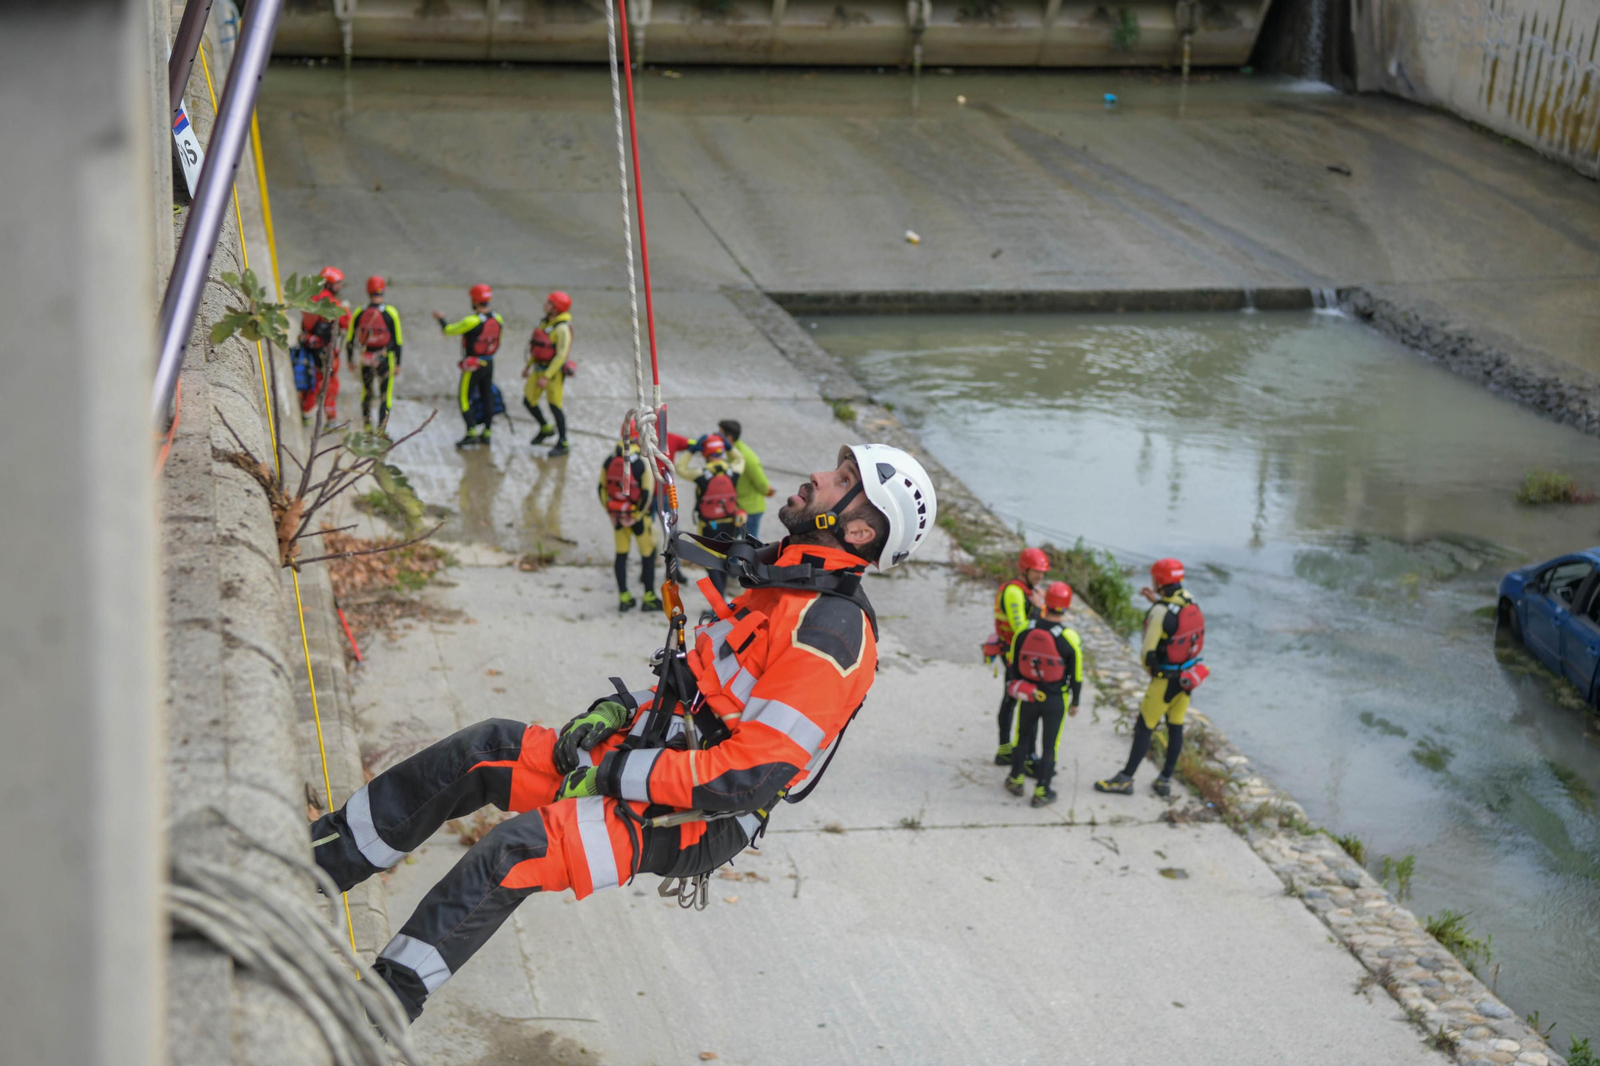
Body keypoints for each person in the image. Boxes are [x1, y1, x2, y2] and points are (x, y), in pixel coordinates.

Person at [309, 444, 937, 1022]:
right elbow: (695, 690)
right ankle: (310, 869)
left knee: (516, 852)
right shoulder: (784, 588)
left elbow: (747, 775)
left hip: (700, 814)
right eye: (836, 467)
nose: (820, 477)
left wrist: (609, 773)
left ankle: (375, 1010)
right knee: (485, 750)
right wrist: (617, 712)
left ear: (857, 532)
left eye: (844, 480)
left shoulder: (829, 635)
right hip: (664, 760)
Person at [1096, 558, 1207, 798]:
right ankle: (1165, 779)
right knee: (1175, 726)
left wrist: (1151, 668)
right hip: (1188, 677)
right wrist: (1157, 602)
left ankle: (1125, 779)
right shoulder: (1190, 599)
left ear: (1158, 581)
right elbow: (1176, 620)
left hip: (1164, 680)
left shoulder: (1159, 612)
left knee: (1144, 727)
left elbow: (1147, 652)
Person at [1002, 581, 1082, 808]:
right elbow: (1076, 675)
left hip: (1029, 694)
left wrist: (1017, 688)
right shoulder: (1069, 638)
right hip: (1055, 699)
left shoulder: (1025, 629)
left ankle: (1016, 780)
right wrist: (1075, 702)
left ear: (1045, 602)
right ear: (1066, 607)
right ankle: (1042, 791)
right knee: (1050, 745)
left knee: (1022, 737)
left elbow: (1013, 664)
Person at [985, 547, 1048, 766]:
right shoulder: (1014, 592)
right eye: (1036, 572)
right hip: (1014, 657)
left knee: (1018, 702)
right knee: (1012, 701)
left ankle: (1023, 753)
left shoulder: (1030, 591)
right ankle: (1006, 751)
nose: (1040, 576)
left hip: (1024, 658)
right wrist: (1039, 608)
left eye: (1043, 572)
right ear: (1025, 569)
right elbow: (1022, 629)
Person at [600, 415, 661, 614]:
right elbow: (647, 492)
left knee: (621, 556)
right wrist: (635, 515)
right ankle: (649, 597)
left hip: (617, 516)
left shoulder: (610, 459)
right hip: (638, 518)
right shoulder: (642, 461)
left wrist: (611, 512)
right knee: (647, 554)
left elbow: (601, 489)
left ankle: (624, 597)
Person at [677, 433, 746, 602]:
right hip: (730, 524)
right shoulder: (733, 471)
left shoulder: (701, 473)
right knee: (724, 561)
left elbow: (679, 468)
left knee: (710, 564)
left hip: (708, 526)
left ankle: (719, 603)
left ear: (705, 454)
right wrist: (729, 447)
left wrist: (691, 451)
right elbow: (740, 459)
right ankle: (721, 601)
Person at [433, 284, 504, 449]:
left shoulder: (472, 321)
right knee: (487, 395)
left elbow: (449, 330)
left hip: (473, 365)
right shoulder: (498, 318)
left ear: (475, 300)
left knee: (464, 397)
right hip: (489, 362)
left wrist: (441, 319)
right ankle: (487, 432)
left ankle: (471, 431)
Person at [346, 275, 403, 434]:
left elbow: (350, 338)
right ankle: (381, 430)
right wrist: (398, 363)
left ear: (368, 291)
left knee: (367, 392)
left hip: (366, 358)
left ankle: (367, 426)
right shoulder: (390, 312)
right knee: (386, 395)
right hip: (385, 359)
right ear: (383, 290)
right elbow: (397, 341)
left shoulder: (359, 311)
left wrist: (350, 359)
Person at [522, 291, 574, 458]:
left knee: (555, 406)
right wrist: (528, 366)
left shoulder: (562, 329)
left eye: (549, 303)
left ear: (556, 308)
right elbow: (537, 348)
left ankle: (563, 442)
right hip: (538, 369)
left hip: (553, 374)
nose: (545, 305)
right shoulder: (545, 323)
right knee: (528, 400)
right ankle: (545, 428)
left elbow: (561, 355)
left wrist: (547, 376)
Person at [296, 266, 350, 424]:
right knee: (329, 383)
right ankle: (330, 419)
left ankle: (306, 412)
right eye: (337, 283)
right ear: (328, 284)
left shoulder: (310, 296)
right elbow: (346, 322)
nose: (339, 287)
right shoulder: (331, 302)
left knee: (312, 378)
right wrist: (345, 309)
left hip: (309, 345)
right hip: (324, 349)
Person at [716, 419, 776, 541]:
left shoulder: (746, 457)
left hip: (751, 509)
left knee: (750, 544)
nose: (717, 436)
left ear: (730, 438)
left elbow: (761, 482)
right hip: (738, 506)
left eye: (720, 434)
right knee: (732, 540)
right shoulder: (731, 451)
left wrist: (766, 490)